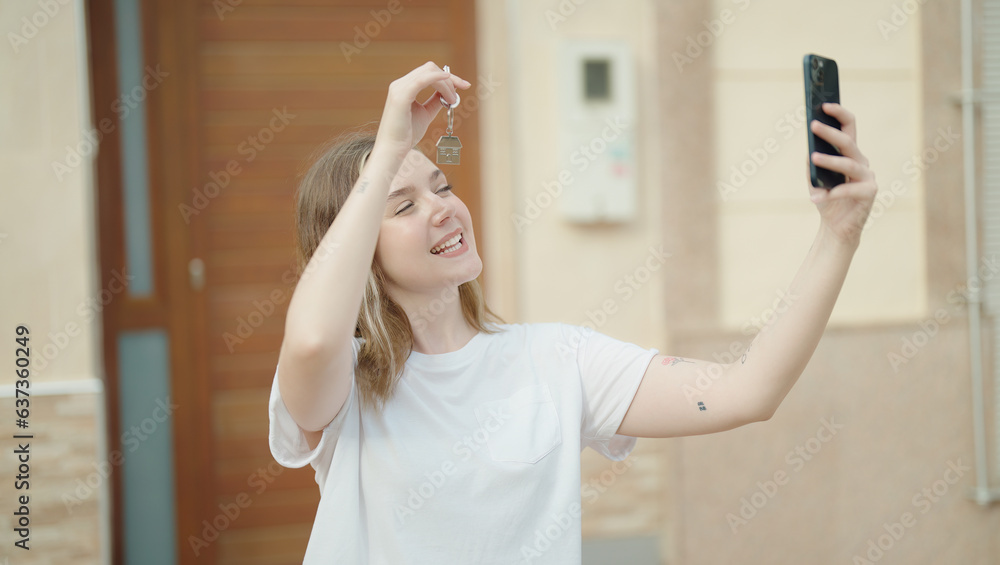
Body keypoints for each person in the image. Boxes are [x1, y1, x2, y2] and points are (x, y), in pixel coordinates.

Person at [267, 62, 877, 563]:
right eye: (401, 207)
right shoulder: (345, 383)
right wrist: (389, 150)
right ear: (358, 251)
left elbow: (748, 391)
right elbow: (316, 339)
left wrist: (839, 235)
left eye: (443, 186)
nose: (443, 209)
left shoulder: (557, 359)